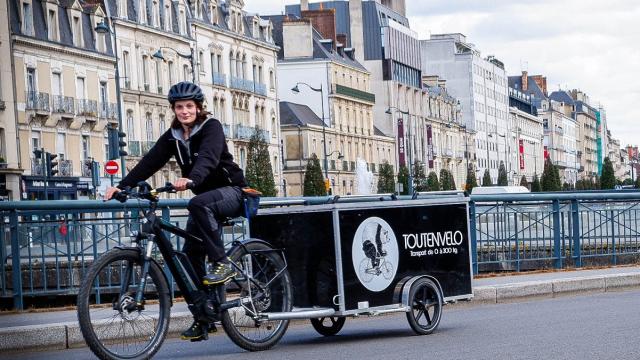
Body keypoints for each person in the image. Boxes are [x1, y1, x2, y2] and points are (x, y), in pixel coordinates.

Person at [104, 81, 247, 340]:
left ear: (198, 107)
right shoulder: (174, 135)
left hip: (232, 191)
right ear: (174, 109)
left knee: (197, 203)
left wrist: (191, 178)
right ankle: (205, 316)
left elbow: (209, 157)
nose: (184, 111)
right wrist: (121, 186)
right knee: (189, 255)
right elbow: (150, 161)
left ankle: (223, 263)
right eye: (179, 107)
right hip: (205, 199)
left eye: (189, 106)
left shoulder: (211, 127)